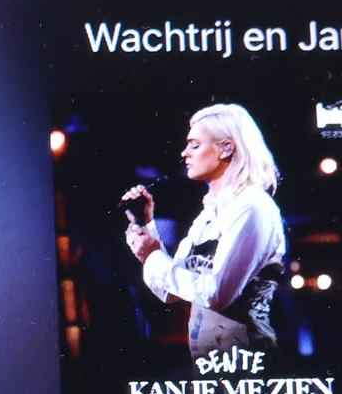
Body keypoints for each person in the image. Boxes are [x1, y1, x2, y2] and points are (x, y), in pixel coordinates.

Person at [122, 102, 287, 355]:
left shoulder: (252, 207)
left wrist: (152, 255)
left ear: (226, 148)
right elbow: (171, 292)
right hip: (211, 363)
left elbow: (216, 294)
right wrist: (147, 228)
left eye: (195, 145)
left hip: (249, 361)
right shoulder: (209, 213)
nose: (184, 153)